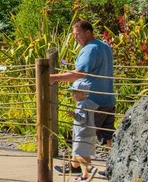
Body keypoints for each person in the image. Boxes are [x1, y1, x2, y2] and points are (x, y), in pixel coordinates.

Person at [50, 19, 116, 147]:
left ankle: (78, 166)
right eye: (74, 35)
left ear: (88, 32)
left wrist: (53, 77)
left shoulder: (90, 49)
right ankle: (117, 162)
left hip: (92, 102)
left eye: (77, 34)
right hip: (108, 100)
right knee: (108, 135)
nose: (75, 38)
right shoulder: (105, 47)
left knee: (82, 136)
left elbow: (78, 73)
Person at [55, 79, 98, 181]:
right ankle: (85, 175)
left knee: (77, 154)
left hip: (82, 133)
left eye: (75, 93)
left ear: (83, 93)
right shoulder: (89, 103)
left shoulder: (81, 104)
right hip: (90, 133)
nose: (73, 95)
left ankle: (90, 168)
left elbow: (82, 119)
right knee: (85, 154)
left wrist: (73, 114)